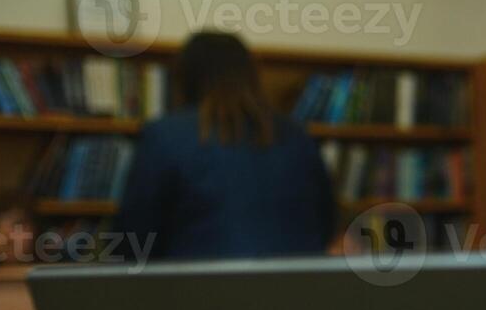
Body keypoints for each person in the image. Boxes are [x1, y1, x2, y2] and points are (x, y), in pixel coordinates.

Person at [114, 31, 336, 260]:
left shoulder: (164, 136)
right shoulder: (297, 135)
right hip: (298, 286)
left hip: (197, 288)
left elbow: (134, 238)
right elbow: (325, 222)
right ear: (251, 75)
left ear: (185, 78)